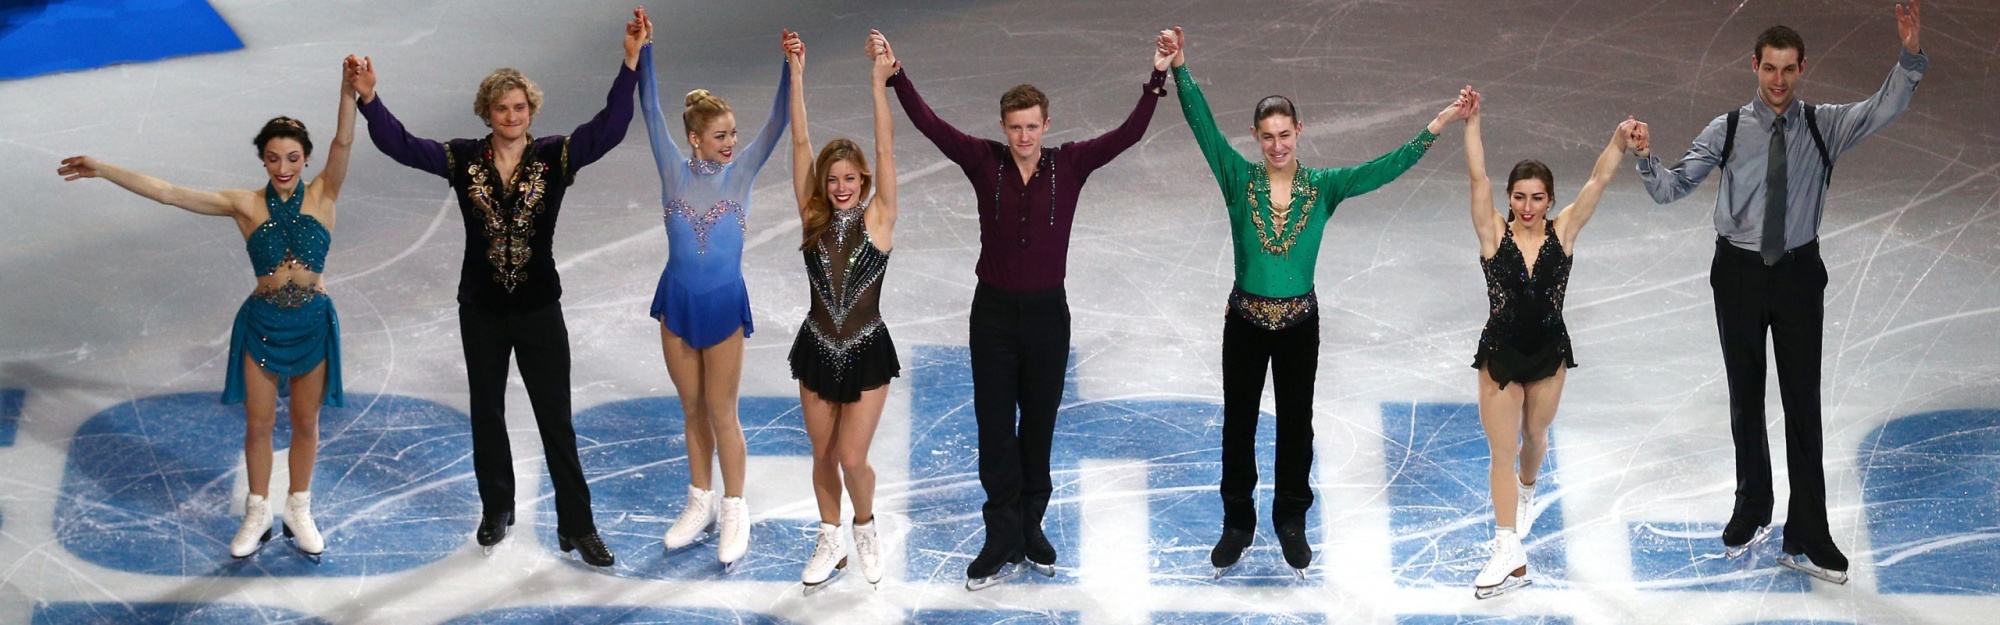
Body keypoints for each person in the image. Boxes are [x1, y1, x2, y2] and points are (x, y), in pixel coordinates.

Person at [1627, 1, 1927, 585]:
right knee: (1745, 398)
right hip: (1737, 275)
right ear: (1755, 67)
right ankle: (1752, 505)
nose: (1780, 81)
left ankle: (1808, 529)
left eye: (1790, 70)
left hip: (1796, 275)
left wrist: (1909, 55)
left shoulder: (1824, 125)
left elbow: (1885, 105)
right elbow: (1671, 189)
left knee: (1802, 406)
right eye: (1770, 69)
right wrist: (1644, 158)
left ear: (1803, 68)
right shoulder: (1729, 128)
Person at [869, 28, 1172, 590]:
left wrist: (1157, 76)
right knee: (993, 427)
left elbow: (1129, 134)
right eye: (1015, 127)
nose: (1025, 135)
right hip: (993, 317)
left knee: (1038, 425)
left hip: (1047, 318)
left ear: (1046, 126)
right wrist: (898, 75)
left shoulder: (1072, 164)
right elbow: (932, 127)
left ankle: (1030, 525)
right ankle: (1000, 532)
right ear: (1003, 127)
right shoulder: (984, 161)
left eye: (1033, 126)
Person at [349, 9, 651, 568]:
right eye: (501, 107)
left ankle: (577, 525)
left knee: (555, 418)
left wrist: (630, 61)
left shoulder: (554, 155)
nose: (511, 115)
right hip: (482, 310)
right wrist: (370, 100)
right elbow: (401, 144)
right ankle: (497, 508)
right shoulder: (463, 159)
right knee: (487, 412)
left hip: (539, 308)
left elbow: (610, 126)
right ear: (487, 113)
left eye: (519, 107)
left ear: (530, 111)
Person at [1163, 27, 1466, 580]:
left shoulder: (1323, 186)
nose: (1278, 145)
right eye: (1267, 136)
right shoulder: (1238, 179)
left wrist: (1438, 125)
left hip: (1300, 323)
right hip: (1246, 322)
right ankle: (1237, 522)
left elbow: (1383, 168)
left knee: (1296, 424)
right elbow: (1202, 126)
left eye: (1286, 134)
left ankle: (1291, 520)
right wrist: (1180, 67)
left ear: (1299, 131)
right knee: (1239, 424)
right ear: (1255, 137)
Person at [55, 61, 359, 563]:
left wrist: (348, 91)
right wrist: (104, 169)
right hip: (263, 327)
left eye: (292, 157)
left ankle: (298, 508)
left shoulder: (325, 193)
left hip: (311, 324)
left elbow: (344, 145)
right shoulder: (243, 204)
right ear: (262, 160)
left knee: (306, 423)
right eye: (272, 158)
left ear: (305, 159)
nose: (283, 167)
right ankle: (258, 511)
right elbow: (171, 194)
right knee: (258, 425)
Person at [1459, 87, 1635, 598]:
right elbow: (1477, 177)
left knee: (1534, 439)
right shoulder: (1493, 234)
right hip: (1501, 354)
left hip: (1550, 355)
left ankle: (1528, 491)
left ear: (1550, 200)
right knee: (1502, 449)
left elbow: (1599, 178)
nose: (1527, 205)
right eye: (1519, 196)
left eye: (1537, 197)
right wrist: (1473, 122)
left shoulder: (1565, 232)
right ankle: (1506, 546)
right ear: (1509, 199)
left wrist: (1619, 142)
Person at [639, 22, 790, 569]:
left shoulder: (742, 172)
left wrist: (789, 69)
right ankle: (698, 500)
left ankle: (733, 507)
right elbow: (650, 108)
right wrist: (646, 50)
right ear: (696, 139)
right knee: (692, 409)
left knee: (723, 412)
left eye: (732, 134)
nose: (732, 143)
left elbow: (778, 123)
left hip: (723, 304)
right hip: (677, 303)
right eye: (722, 135)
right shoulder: (672, 172)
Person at [781, 29, 903, 592]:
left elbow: (883, 149)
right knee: (823, 453)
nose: (840, 187)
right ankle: (829, 539)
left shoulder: (880, 221)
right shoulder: (814, 220)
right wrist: (797, 75)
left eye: (849, 179)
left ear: (864, 182)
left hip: (866, 349)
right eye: (833, 180)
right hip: (816, 346)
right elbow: (800, 146)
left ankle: (864, 528)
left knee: (853, 457)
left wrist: (878, 82)